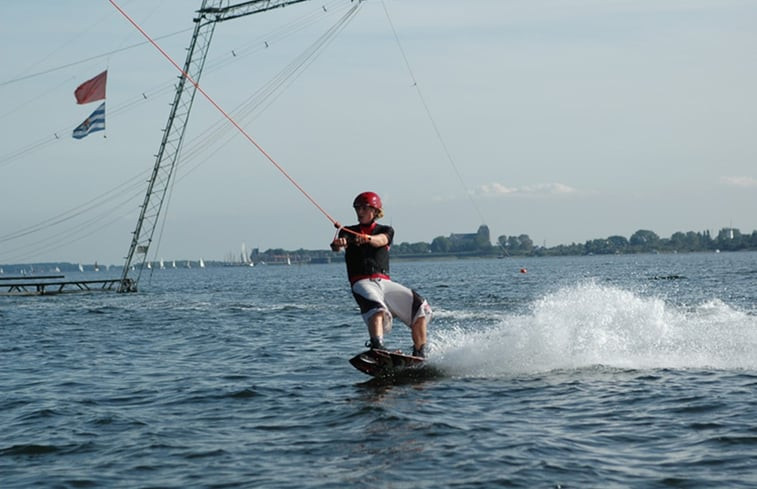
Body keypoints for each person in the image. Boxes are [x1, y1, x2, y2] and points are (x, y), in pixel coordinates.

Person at [330, 191, 432, 357]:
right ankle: (377, 347)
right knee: (377, 309)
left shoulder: (386, 230)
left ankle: (420, 353)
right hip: (361, 282)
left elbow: (382, 240)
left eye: (364, 208)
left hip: (384, 283)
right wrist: (338, 244)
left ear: (375, 211)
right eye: (357, 208)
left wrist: (368, 238)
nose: (360, 212)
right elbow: (337, 246)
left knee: (420, 307)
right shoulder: (347, 231)